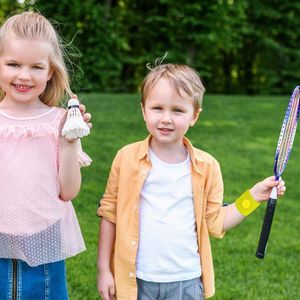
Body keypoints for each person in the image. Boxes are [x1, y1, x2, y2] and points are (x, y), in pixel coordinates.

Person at [96, 63, 285, 300]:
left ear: (194, 116)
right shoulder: (126, 158)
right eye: (157, 108)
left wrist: (253, 197)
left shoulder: (207, 167)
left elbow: (216, 223)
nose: (166, 118)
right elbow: (109, 214)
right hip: (135, 280)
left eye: (177, 110)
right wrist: (104, 269)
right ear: (144, 111)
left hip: (186, 282)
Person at [0, 11, 92, 299]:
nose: (24, 75)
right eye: (13, 64)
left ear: (51, 71)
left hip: (44, 236)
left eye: (36, 67)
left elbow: (69, 192)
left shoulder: (60, 122)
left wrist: (68, 142)